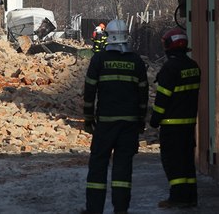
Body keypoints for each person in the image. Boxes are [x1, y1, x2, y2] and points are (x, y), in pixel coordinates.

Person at [82, 19, 149, 214]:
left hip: (105, 124)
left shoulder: (99, 60)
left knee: (98, 166)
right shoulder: (136, 61)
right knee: (123, 168)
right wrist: (140, 121)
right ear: (126, 35)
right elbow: (143, 95)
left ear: (108, 36)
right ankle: (121, 209)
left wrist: (88, 119)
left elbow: (89, 91)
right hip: (129, 125)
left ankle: (94, 210)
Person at [149, 27, 201, 208]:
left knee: (173, 162)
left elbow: (163, 98)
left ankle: (178, 197)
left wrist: (155, 119)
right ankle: (190, 197)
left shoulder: (170, 68)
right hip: (189, 124)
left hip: (171, 125)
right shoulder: (193, 67)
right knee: (187, 161)